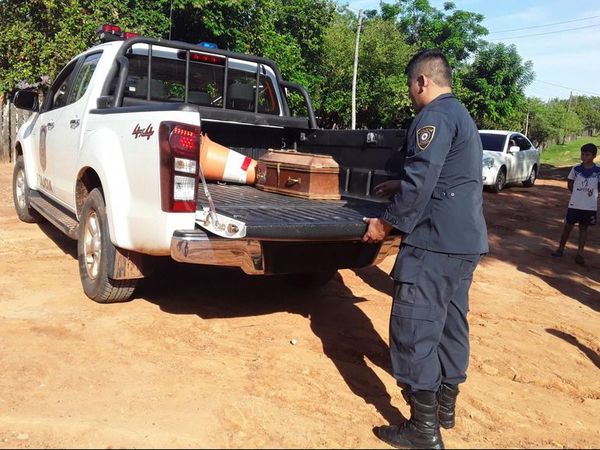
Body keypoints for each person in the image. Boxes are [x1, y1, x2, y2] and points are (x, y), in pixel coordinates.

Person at [362, 49, 488, 449]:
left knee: (414, 327)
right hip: (463, 242)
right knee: (451, 324)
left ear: (422, 82)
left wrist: (385, 223)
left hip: (433, 243)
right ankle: (445, 411)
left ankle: (422, 429)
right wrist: (399, 185)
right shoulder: (461, 115)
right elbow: (447, 174)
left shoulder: (432, 117)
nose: (412, 95)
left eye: (411, 88)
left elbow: (422, 182)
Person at [551, 143, 600, 265]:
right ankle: (560, 248)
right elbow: (570, 182)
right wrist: (575, 194)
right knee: (568, 226)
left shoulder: (598, 171)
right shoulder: (576, 169)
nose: (584, 156)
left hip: (589, 206)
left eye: (587, 154)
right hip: (575, 204)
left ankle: (580, 253)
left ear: (594, 156)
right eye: (582, 154)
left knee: (583, 229)